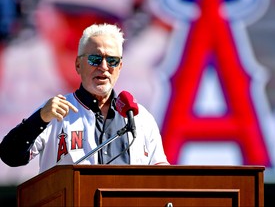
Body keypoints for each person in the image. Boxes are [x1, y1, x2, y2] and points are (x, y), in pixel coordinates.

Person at [0, 23, 169, 173]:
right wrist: (39, 119)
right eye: (95, 59)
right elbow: (10, 156)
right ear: (78, 65)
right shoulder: (54, 112)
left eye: (112, 61)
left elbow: (161, 173)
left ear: (120, 67)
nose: (103, 67)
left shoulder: (140, 117)